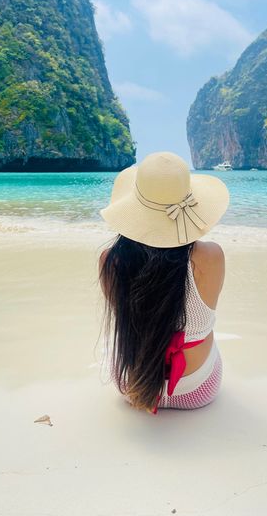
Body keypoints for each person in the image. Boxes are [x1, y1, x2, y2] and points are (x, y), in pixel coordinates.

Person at [98, 151, 229, 414]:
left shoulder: (110, 261)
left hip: (131, 384)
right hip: (197, 389)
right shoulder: (211, 257)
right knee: (205, 333)